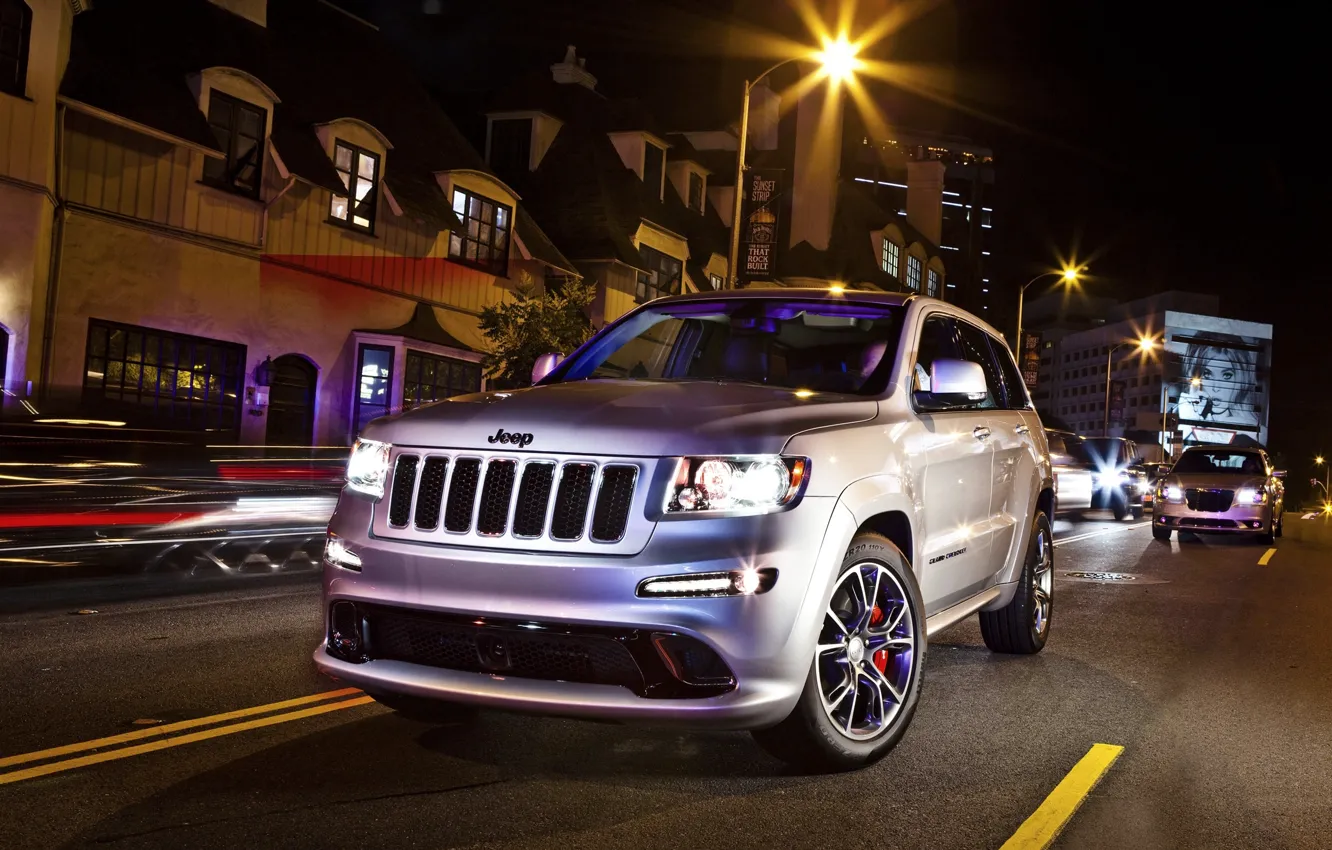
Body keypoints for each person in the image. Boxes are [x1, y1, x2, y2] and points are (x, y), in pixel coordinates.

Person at [1172, 332, 1261, 444]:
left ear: (1241, 379)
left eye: (1227, 376)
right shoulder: (1182, 412)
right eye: (1207, 375)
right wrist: (1188, 421)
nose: (1216, 387)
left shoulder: (1252, 431)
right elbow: (1169, 453)